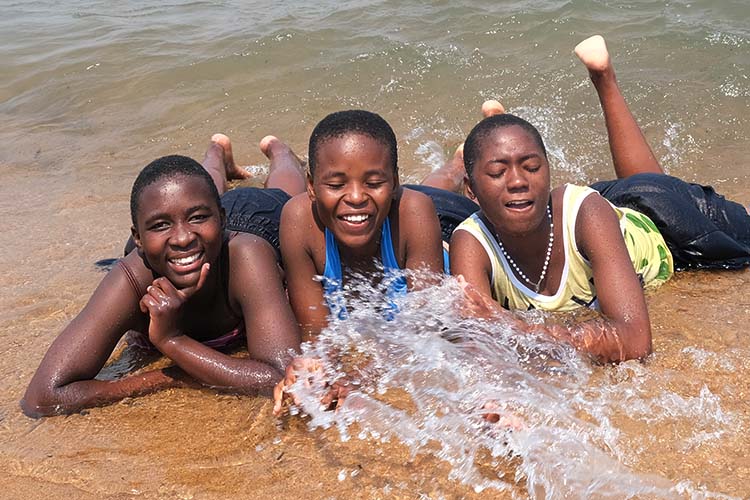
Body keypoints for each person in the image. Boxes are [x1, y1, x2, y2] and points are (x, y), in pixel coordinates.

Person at [451, 35, 750, 364]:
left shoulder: (587, 213)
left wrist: (512, 327)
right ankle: (493, 135)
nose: (519, 181)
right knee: (637, 183)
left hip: (666, 223)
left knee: (656, 186)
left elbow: (635, 341)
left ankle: (603, 77)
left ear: (549, 173)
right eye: (498, 172)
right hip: (605, 212)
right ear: (471, 191)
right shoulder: (470, 240)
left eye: (531, 167)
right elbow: (478, 347)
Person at [21, 134, 305, 417]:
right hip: (205, 228)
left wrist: (173, 342)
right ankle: (217, 152)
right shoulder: (132, 278)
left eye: (198, 218)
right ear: (139, 238)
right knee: (187, 193)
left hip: (256, 220)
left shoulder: (246, 258)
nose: (181, 238)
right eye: (160, 225)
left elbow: (282, 377)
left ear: (221, 220)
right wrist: (165, 377)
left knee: (285, 195)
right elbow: (42, 398)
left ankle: (277, 150)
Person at [271, 110, 479, 414]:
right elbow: (315, 333)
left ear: (394, 182)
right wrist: (311, 373)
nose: (356, 196)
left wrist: (358, 377)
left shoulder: (415, 212)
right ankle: (278, 151)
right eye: (336, 184)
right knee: (427, 185)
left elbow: (424, 327)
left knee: (439, 186)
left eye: (374, 181)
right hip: (383, 212)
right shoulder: (299, 220)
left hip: (442, 224)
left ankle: (458, 163)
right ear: (312, 186)